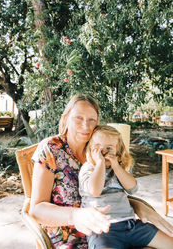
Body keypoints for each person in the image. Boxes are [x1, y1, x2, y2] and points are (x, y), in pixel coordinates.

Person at [29, 93, 173, 248]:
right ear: (65, 119)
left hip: (115, 226)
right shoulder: (51, 148)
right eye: (78, 118)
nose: (86, 126)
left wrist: (136, 205)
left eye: (92, 120)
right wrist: (75, 216)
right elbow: (36, 210)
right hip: (71, 235)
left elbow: (111, 191)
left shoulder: (99, 148)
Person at [79, 125, 173, 249]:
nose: (103, 152)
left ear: (118, 151)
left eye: (109, 148)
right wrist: (100, 164)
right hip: (103, 230)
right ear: (90, 149)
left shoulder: (117, 169)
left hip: (131, 225)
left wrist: (117, 166)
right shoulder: (88, 168)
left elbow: (133, 188)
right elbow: (94, 191)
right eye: (97, 147)